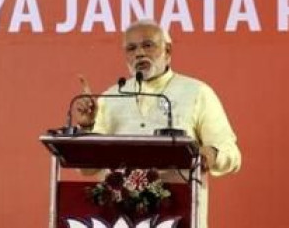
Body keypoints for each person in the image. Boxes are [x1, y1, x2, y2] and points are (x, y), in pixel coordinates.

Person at [74, 19, 241, 228]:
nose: (139, 54)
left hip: (179, 214)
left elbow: (231, 152)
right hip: (120, 218)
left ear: (168, 50)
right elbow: (88, 170)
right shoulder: (110, 97)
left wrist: (213, 154)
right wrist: (87, 128)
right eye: (131, 48)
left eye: (148, 45)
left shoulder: (197, 92)